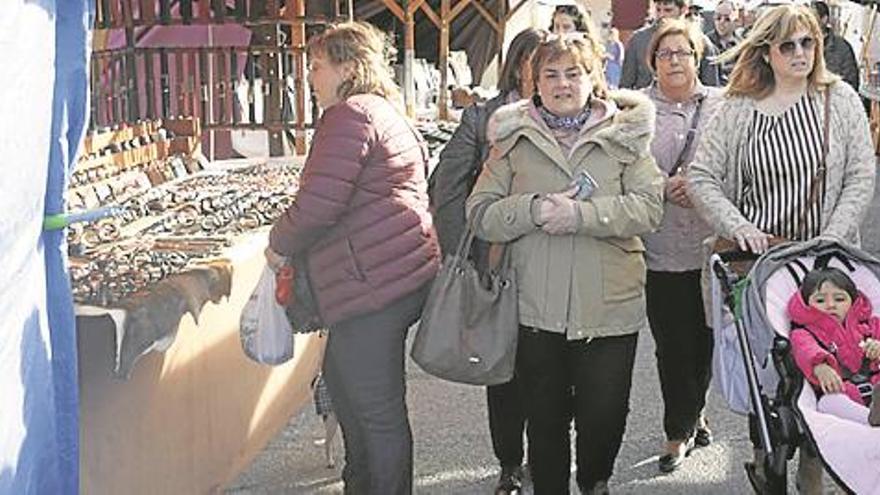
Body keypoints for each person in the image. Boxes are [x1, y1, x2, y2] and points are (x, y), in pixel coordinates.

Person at [687, 4, 876, 493]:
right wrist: (739, 225)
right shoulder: (737, 107)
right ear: (766, 52)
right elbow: (702, 176)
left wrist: (833, 235)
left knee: (828, 370)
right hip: (759, 264)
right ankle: (767, 464)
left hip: (827, 265)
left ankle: (812, 473)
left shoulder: (840, 100)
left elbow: (860, 172)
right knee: (769, 376)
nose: (799, 53)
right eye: (787, 45)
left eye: (807, 43)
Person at [466, 33, 664, 494]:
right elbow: (479, 212)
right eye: (550, 74)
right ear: (533, 81)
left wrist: (582, 216)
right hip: (536, 310)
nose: (561, 83)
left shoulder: (625, 135)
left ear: (593, 77)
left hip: (609, 306)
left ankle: (596, 481)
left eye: (573, 73)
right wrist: (531, 209)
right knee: (545, 420)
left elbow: (650, 208)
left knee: (605, 414)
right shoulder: (511, 138)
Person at [265, 22, 440, 495]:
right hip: (391, 276)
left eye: (317, 67)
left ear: (347, 67)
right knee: (353, 396)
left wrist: (277, 242)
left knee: (376, 412)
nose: (311, 77)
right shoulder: (382, 110)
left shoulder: (350, 116)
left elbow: (318, 206)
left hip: (372, 285)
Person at [428, 27, 547, 495]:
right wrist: (464, 258)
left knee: (551, 370)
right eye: (539, 62)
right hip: (495, 263)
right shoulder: (481, 119)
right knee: (503, 368)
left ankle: (546, 458)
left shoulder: (573, 114)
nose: (549, 73)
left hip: (553, 264)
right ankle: (510, 464)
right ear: (518, 64)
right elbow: (447, 187)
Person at [641, 19, 724, 474]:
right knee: (672, 344)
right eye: (666, 53)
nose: (675, 60)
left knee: (707, 340)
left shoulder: (724, 105)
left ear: (698, 57)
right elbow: (624, 168)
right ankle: (678, 430)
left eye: (684, 52)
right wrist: (661, 185)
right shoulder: (634, 110)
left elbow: (739, 161)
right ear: (653, 60)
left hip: (714, 244)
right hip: (660, 247)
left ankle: (695, 411)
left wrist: (705, 187)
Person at [788, 267, 880, 426]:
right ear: (806, 304)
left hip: (876, 385)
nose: (830, 305)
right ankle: (871, 419)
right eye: (820, 300)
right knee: (829, 403)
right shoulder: (804, 333)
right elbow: (806, 350)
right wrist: (820, 366)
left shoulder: (871, 326)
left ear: (853, 301)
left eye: (839, 299)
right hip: (842, 391)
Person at [620, 0, 720, 90]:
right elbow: (625, 85)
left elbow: (711, 88)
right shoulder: (639, 40)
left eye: (668, 10)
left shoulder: (700, 41)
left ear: (683, 10)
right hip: (649, 105)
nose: (661, 15)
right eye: (658, 10)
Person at [812, 1, 860, 90]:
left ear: (824, 19)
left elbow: (851, 83)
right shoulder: (802, 47)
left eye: (811, 18)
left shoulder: (842, 48)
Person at [708, 1, 742, 85]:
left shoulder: (741, 45)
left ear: (736, 21)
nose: (721, 22)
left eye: (727, 19)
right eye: (718, 18)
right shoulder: (705, 43)